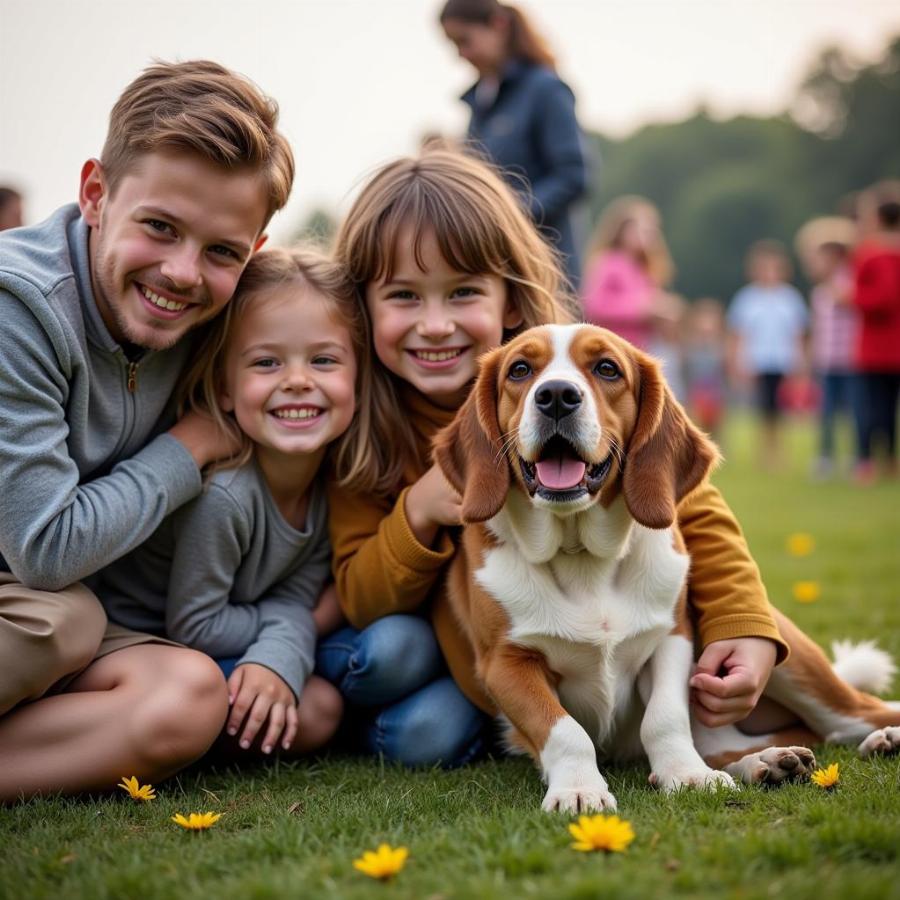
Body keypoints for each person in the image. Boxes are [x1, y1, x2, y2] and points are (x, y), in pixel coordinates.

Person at [319, 148, 789, 770]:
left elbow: (692, 510)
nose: (435, 324)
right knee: (403, 687)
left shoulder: (581, 382)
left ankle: (854, 716)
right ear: (364, 309)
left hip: (618, 633)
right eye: (404, 295)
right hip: (483, 653)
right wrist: (420, 508)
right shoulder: (359, 430)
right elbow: (356, 592)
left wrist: (743, 620)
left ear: (509, 301)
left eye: (462, 293)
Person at [0, 60, 294, 800]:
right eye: (159, 228)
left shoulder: (217, 315)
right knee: (62, 618)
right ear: (95, 193)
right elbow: (45, 549)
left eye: (222, 251)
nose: (183, 273)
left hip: (45, 609)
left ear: (253, 251)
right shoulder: (20, 304)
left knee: (188, 694)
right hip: (41, 592)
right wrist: (189, 448)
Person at [97, 247, 367, 758]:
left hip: (216, 644)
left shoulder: (331, 484)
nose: (297, 380)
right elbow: (196, 625)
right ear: (224, 387)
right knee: (315, 711)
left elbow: (295, 599)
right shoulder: (226, 494)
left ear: (357, 376)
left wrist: (282, 645)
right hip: (145, 650)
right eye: (266, 362)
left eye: (324, 360)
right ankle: (162, 734)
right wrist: (287, 638)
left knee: (321, 710)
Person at [439, 0, 588, 291]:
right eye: (454, 45)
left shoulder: (545, 89)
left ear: (498, 24)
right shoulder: (479, 103)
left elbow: (573, 176)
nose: (462, 54)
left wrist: (508, 216)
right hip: (495, 268)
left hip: (545, 270)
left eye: (465, 40)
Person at [726, 240, 809, 469]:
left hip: (783, 360)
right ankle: (764, 451)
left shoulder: (790, 299)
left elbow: (798, 334)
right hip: (757, 361)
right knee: (763, 407)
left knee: (782, 408)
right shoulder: (747, 299)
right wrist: (736, 363)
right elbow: (738, 334)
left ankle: (780, 451)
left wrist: (800, 362)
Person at [795, 217, 858, 478]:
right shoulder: (820, 292)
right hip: (827, 361)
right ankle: (826, 457)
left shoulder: (848, 284)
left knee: (855, 412)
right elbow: (817, 331)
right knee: (826, 412)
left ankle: (858, 456)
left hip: (851, 360)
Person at [850, 182, 900, 484]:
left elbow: (883, 296)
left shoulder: (872, 254)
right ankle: (891, 462)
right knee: (890, 409)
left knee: (869, 407)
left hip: (876, 346)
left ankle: (866, 462)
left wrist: (851, 298)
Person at [581, 196, 675, 352]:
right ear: (622, 230)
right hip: (610, 348)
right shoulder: (607, 261)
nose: (645, 236)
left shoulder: (646, 269)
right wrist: (641, 309)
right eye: (640, 230)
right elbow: (593, 305)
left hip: (641, 349)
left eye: (650, 231)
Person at [684, 297, 729, 443]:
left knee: (714, 426)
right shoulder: (689, 345)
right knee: (696, 425)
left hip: (716, 392)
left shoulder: (721, 345)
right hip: (696, 391)